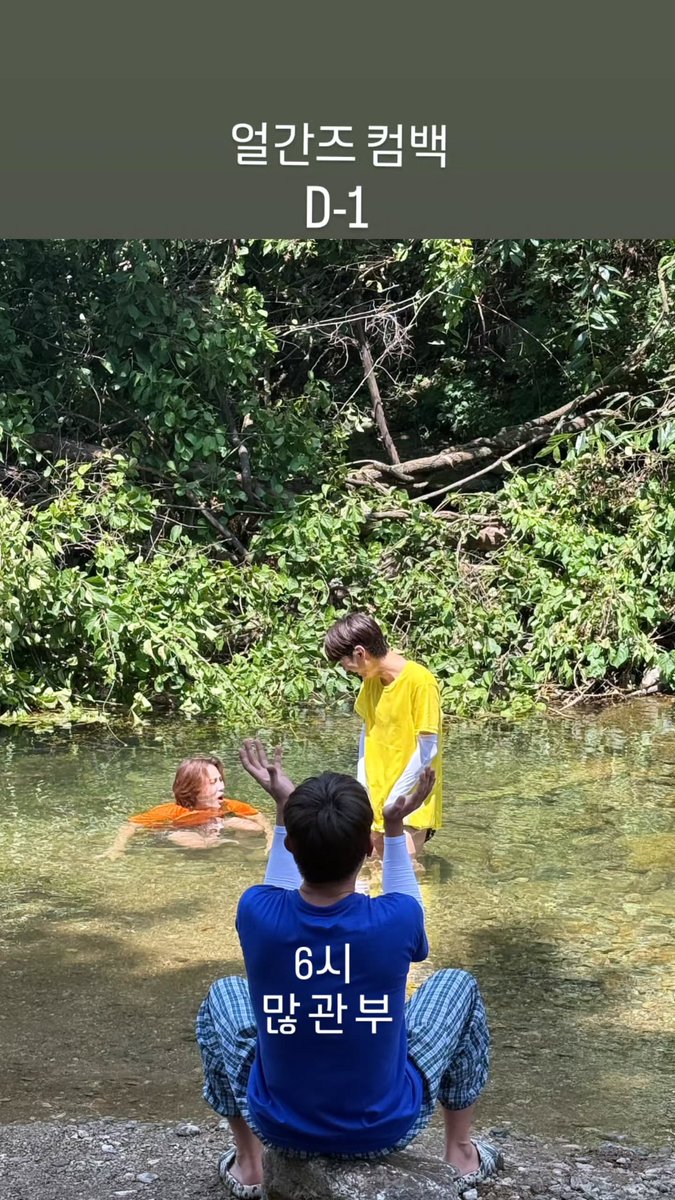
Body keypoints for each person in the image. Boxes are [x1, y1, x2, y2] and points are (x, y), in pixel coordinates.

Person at [196, 739, 502, 1199]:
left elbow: (280, 888)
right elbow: (405, 902)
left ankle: (250, 1163)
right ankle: (459, 1152)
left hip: (279, 1124)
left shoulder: (257, 912)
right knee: (457, 984)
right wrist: (395, 829)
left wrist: (285, 805)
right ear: (367, 847)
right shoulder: (395, 921)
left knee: (223, 993)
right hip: (386, 1126)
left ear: (291, 843)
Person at [324, 612, 443, 862]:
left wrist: (396, 797)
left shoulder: (421, 682)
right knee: (372, 869)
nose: (345, 668)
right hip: (376, 796)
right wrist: (362, 788)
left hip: (409, 798)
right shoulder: (371, 681)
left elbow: (428, 748)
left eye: (345, 661)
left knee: (403, 869)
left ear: (360, 653)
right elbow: (366, 734)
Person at [99, 753, 273, 859]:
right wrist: (118, 847)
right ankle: (228, 843)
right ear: (193, 788)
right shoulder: (172, 811)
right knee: (202, 844)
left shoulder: (226, 805)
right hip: (177, 831)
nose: (221, 786)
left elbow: (258, 817)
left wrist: (271, 838)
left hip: (214, 828)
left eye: (220, 780)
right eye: (213, 782)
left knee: (252, 827)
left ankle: (231, 842)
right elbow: (131, 825)